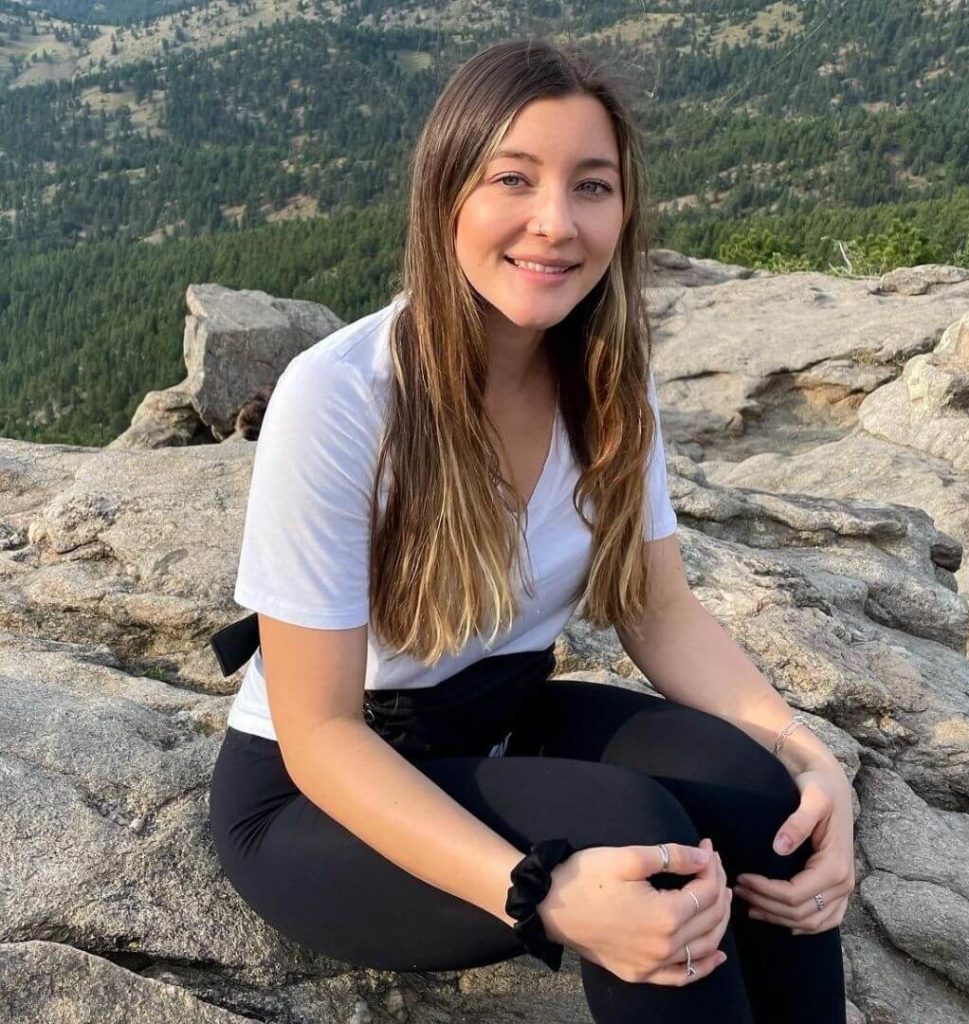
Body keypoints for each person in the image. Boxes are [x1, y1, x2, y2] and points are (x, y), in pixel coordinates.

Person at [208, 37, 854, 1023]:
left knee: (760, 799)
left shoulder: (603, 376)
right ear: (446, 197)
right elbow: (320, 734)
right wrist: (541, 889)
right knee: (643, 849)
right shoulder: (342, 399)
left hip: (499, 723)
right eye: (514, 179)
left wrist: (805, 753)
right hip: (316, 801)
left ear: (623, 211)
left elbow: (660, 608)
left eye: (590, 187)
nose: (554, 224)